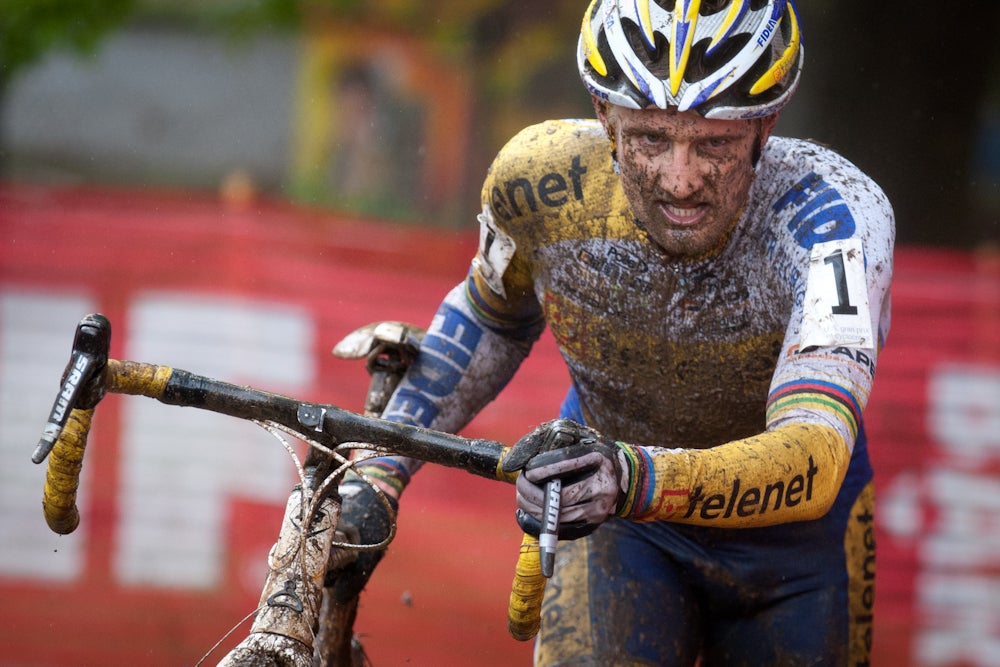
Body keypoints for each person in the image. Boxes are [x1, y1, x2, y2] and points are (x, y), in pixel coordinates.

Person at [336, 0, 894, 664]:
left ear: (765, 124)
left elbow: (817, 452)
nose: (680, 179)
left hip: (795, 541)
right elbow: (491, 315)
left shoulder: (835, 219)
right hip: (618, 517)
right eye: (650, 138)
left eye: (713, 143)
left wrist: (630, 476)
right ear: (604, 113)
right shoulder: (540, 178)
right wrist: (378, 472)